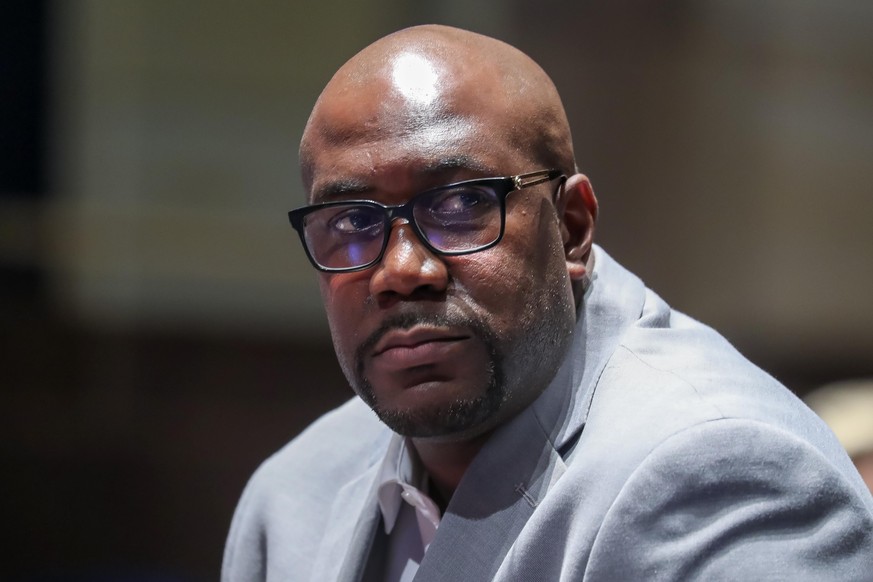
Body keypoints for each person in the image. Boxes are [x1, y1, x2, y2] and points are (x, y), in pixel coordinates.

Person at [222, 25, 873, 581]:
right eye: (351, 223)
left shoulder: (723, 474)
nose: (401, 270)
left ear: (571, 227)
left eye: (461, 205)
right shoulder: (291, 499)